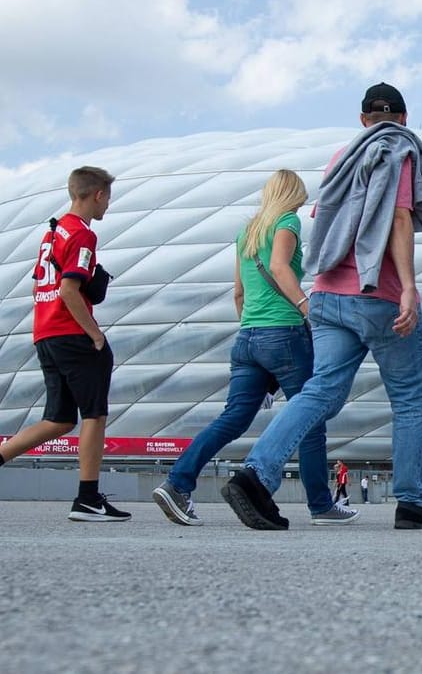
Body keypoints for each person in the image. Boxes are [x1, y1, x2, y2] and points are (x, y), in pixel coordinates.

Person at [222, 82, 422, 530]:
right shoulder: (396, 151)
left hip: (328, 295)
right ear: (403, 118)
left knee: (320, 392)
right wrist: (407, 286)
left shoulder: (341, 159)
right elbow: (399, 219)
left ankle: (255, 475)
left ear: (362, 119)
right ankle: (411, 502)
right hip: (378, 297)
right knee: (408, 402)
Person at [152, 169, 357, 528]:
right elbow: (279, 267)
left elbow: (238, 291)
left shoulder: (246, 231)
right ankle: (321, 505)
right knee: (310, 420)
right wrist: (306, 307)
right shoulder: (288, 222)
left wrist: (251, 331)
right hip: (284, 335)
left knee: (231, 420)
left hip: (247, 337)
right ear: (292, 194)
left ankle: (177, 483)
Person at [0, 166, 129, 521]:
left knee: (58, 419)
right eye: (108, 198)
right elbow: (70, 289)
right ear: (97, 194)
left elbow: (40, 284)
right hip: (72, 335)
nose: (108, 206)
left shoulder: (51, 233)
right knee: (94, 414)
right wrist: (95, 334)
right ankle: (87, 498)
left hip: (46, 333)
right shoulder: (82, 235)